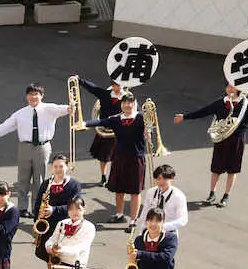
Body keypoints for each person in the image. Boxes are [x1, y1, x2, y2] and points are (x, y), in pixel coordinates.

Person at [174, 84, 248, 207]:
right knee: (216, 167)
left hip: (237, 140)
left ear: (238, 89)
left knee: (232, 169)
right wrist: (184, 117)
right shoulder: (220, 103)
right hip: (221, 139)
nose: (230, 89)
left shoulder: (247, 104)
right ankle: (212, 193)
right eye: (228, 86)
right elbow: (203, 111)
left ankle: (226, 195)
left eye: (233, 87)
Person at [0, 83, 71, 217]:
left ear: (41, 95)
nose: (33, 97)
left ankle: (37, 208)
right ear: (26, 96)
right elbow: (5, 126)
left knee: (40, 179)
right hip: (24, 147)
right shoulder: (20, 113)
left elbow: (66, 109)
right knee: (23, 178)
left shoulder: (50, 109)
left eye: (36, 94)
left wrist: (71, 106)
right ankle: (22, 208)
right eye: (30, 94)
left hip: (42, 147)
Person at [80, 91, 146, 224]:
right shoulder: (116, 119)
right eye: (125, 102)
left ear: (134, 104)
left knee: (135, 191)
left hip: (136, 158)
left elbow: (149, 128)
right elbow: (100, 121)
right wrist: (85, 123)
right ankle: (119, 214)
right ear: (121, 104)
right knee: (119, 189)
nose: (128, 105)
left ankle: (133, 220)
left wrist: (148, 133)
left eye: (130, 102)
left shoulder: (141, 118)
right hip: (119, 158)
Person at [30, 153, 82, 269]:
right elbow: (38, 203)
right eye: (55, 166)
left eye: (61, 166)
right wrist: (37, 219)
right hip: (47, 223)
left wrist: (54, 210)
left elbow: (74, 206)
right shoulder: (47, 183)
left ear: (67, 167)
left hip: (64, 223)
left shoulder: (74, 185)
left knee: (60, 252)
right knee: (47, 251)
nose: (58, 169)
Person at [77, 77, 124, 185]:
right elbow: (93, 88)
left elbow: (137, 112)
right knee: (104, 156)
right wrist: (79, 80)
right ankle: (103, 176)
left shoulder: (127, 97)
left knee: (118, 156)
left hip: (119, 131)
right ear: (112, 86)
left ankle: (114, 177)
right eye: (116, 85)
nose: (118, 88)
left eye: (120, 85)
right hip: (105, 130)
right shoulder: (105, 94)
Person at [138, 164, 188, 232]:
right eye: (158, 178)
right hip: (150, 230)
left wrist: (162, 227)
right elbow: (144, 213)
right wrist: (145, 229)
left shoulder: (179, 196)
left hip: (169, 231)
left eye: (165, 179)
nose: (161, 182)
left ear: (172, 178)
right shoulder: (151, 192)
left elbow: (183, 220)